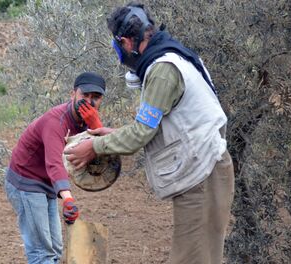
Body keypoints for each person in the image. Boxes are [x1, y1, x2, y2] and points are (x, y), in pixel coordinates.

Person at [64, 3, 235, 264]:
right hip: (206, 169)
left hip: (202, 174)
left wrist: (94, 147)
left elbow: (142, 134)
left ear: (125, 42)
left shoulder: (163, 71)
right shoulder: (173, 57)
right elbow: (164, 126)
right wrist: (114, 133)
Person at [5, 72, 106, 264]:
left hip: (48, 184)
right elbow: (54, 162)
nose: (89, 102)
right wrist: (68, 200)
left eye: (96, 97)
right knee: (41, 252)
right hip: (26, 182)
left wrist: (96, 126)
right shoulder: (56, 121)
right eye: (84, 95)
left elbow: (100, 162)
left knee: (55, 249)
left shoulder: (86, 122)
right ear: (72, 94)